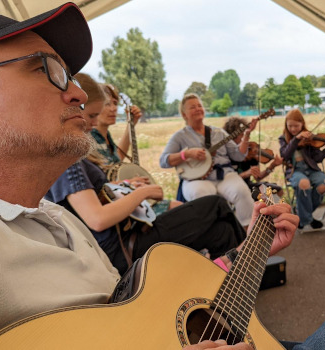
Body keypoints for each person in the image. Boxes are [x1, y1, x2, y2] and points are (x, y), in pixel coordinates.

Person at [0, 4, 325, 350]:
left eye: (71, 76)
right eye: (44, 69)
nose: (76, 93)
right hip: (193, 186)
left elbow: (139, 316)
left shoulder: (52, 217)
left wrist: (249, 254)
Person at [45, 73, 245, 275]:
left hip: (131, 230)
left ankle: (230, 284)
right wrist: (144, 191)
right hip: (123, 247)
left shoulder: (73, 156)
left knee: (222, 232)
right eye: (91, 116)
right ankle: (249, 260)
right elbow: (97, 219)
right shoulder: (68, 160)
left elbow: (102, 192)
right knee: (215, 204)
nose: (95, 123)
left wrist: (127, 186)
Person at [159, 93, 256, 227]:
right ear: (184, 115)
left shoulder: (218, 132)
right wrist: (187, 154)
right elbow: (163, 161)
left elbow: (238, 155)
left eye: (200, 105)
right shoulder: (180, 137)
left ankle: (247, 233)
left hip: (224, 175)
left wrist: (246, 136)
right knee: (202, 195)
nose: (198, 108)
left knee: (241, 191)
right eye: (193, 107)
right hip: (196, 179)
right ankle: (213, 237)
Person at [279, 109, 325, 229]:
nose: (293, 129)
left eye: (296, 126)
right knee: (304, 184)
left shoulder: (309, 137)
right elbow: (285, 154)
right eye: (290, 126)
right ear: (286, 125)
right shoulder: (283, 139)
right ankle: (307, 219)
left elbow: (318, 158)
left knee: (323, 186)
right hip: (295, 171)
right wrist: (295, 139)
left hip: (311, 169)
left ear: (302, 124)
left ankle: (301, 214)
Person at [223, 116, 284, 196]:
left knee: (277, 191)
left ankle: (266, 207)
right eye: (242, 135)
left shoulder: (250, 152)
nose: (245, 138)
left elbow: (258, 177)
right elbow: (226, 180)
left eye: (246, 134)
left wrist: (272, 166)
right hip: (232, 189)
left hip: (248, 186)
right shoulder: (224, 153)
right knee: (261, 197)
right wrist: (246, 174)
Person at [92, 82, 143, 165]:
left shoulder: (106, 135)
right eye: (107, 104)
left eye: (115, 103)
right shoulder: (90, 139)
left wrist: (131, 124)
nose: (113, 109)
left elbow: (117, 160)